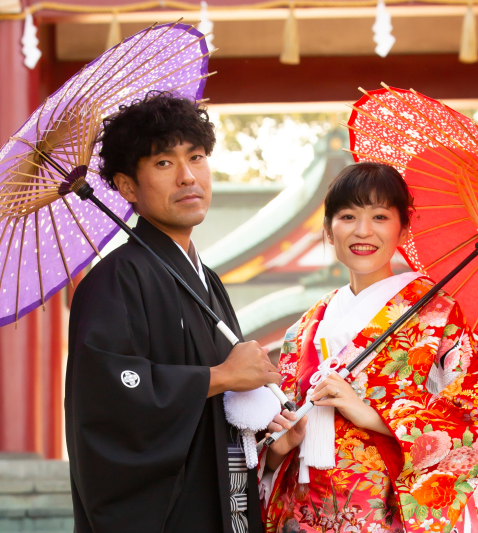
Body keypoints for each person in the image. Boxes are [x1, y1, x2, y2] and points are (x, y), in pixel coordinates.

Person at [65, 92, 280, 533]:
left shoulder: (208, 281)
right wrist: (220, 376)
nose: (188, 177)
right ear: (127, 186)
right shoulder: (114, 281)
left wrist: (269, 431)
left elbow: (225, 417)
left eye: (196, 157)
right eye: (164, 163)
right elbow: (108, 398)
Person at [259, 162, 478, 533]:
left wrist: (373, 416)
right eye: (347, 216)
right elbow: (274, 434)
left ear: (403, 229)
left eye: (379, 216)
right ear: (328, 230)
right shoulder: (303, 329)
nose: (363, 231)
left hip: (381, 516)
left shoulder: (435, 314)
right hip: (302, 514)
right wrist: (278, 447)